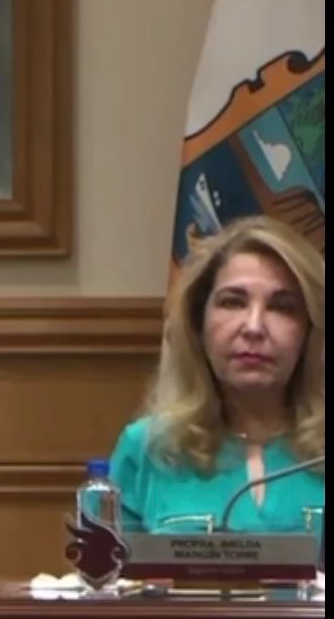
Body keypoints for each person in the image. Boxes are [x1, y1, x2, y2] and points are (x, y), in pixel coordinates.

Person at [109, 216, 324, 534]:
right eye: (233, 302)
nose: (254, 327)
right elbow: (104, 564)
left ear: (310, 331)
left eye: (282, 307)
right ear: (198, 323)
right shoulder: (149, 447)